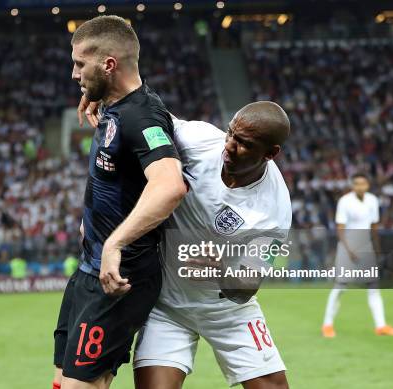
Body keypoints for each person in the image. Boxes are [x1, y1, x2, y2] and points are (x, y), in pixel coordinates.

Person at [79, 100, 292, 388]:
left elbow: (245, 288)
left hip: (227, 312)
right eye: (231, 134)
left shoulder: (273, 211)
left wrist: (221, 269)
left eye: (244, 144)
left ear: (271, 153)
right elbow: (146, 115)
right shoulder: (200, 140)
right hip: (168, 305)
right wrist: (105, 96)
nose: (229, 146)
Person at [52, 15, 186, 389]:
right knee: (63, 382)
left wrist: (116, 242)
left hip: (118, 278)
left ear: (108, 64)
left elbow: (170, 184)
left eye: (80, 64)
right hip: (88, 270)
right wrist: (97, 96)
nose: (74, 74)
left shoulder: (141, 116)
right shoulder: (115, 104)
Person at [321, 173, 393, 338]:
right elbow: (340, 228)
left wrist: (376, 249)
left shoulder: (372, 200)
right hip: (348, 248)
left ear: (367, 185)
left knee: (373, 286)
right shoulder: (345, 201)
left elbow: (374, 226)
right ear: (352, 185)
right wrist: (349, 250)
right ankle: (327, 325)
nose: (360, 186)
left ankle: (381, 326)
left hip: (366, 248)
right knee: (340, 287)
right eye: (357, 183)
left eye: (363, 183)